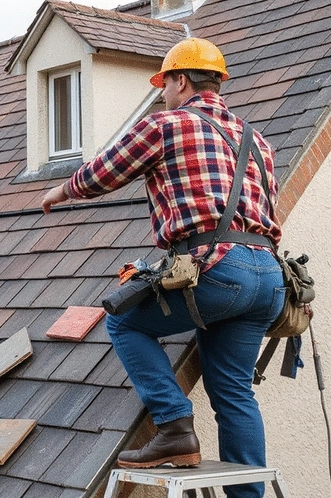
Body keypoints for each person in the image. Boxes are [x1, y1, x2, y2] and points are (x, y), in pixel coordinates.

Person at [41, 38, 284, 498]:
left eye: (165, 84)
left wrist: (62, 191)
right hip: (267, 278)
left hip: (218, 269)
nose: (163, 94)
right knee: (233, 392)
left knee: (125, 323)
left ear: (181, 80)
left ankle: (174, 427)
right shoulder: (259, 141)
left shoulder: (166, 125)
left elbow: (105, 172)